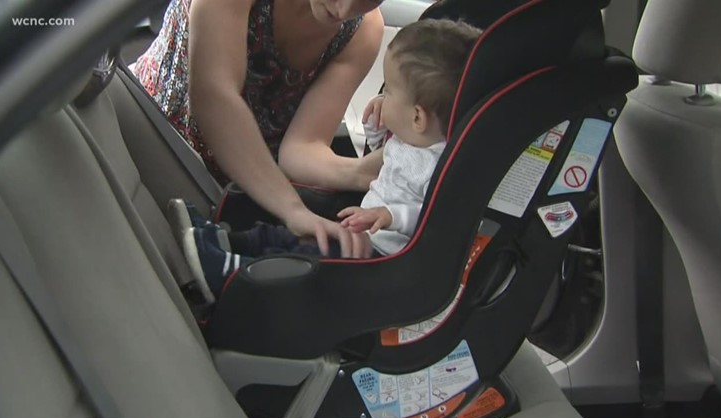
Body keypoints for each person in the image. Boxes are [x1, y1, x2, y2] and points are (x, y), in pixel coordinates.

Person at [176, 18, 482, 297]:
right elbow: (384, 159)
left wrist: (391, 216)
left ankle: (230, 274)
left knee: (309, 258)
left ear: (417, 118)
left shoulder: (440, 165)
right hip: (365, 234)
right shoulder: (409, 140)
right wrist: (377, 125)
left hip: (384, 256)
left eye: (388, 93)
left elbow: (435, 217)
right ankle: (224, 241)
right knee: (295, 238)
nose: (381, 97)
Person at [132, 0, 386, 260]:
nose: (344, 10)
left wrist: (362, 172)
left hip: (236, 189)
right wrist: (291, 209)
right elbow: (215, 96)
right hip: (153, 141)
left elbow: (301, 149)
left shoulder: (362, 32)